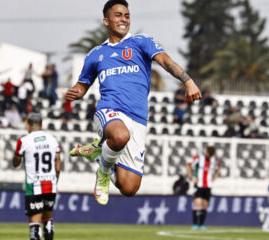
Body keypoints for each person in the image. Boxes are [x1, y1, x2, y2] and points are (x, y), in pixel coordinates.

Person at [66, 0, 202, 205]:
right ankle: (103, 172)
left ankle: (97, 153)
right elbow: (82, 85)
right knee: (120, 136)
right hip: (109, 111)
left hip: (138, 118)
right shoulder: (95, 54)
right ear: (106, 21)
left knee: (129, 188)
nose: (124, 19)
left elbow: (166, 61)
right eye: (118, 15)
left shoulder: (141, 42)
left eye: (127, 16)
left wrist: (188, 81)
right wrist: (77, 92)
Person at [13, 113, 61, 240]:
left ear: (28, 125)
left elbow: (16, 163)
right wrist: (56, 182)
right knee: (48, 219)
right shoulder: (52, 139)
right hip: (50, 184)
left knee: (35, 224)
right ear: (41, 125)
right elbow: (58, 164)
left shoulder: (23, 141)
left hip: (33, 185)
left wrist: (17, 156)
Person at [186, 146, 220, 230]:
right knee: (197, 204)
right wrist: (190, 177)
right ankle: (194, 224)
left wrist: (214, 177)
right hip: (199, 185)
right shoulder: (198, 157)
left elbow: (218, 169)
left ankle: (201, 224)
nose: (209, 156)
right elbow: (188, 165)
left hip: (208, 186)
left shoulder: (214, 160)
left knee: (204, 206)